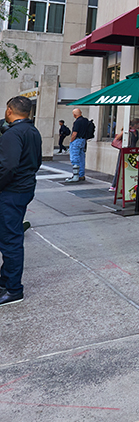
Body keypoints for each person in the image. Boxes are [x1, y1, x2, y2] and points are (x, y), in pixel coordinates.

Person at [0, 96, 43, 306]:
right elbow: (38, 161)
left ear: (9, 110)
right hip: (25, 189)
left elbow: (8, 167)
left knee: (10, 240)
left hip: (11, 192)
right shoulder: (33, 131)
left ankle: (13, 289)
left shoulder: (13, 133)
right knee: (11, 235)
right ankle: (5, 281)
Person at [109, 118, 139, 192]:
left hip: (133, 151)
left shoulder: (136, 132)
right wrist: (125, 131)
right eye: (138, 124)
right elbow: (117, 138)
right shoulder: (127, 131)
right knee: (119, 167)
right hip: (125, 150)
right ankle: (114, 185)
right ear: (135, 125)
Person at [63, 108, 92, 183]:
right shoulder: (85, 120)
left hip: (77, 140)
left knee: (75, 157)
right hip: (83, 140)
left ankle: (75, 176)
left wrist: (71, 141)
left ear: (74, 114)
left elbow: (74, 133)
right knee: (81, 157)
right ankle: (81, 175)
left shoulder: (77, 122)